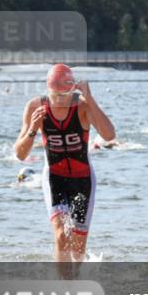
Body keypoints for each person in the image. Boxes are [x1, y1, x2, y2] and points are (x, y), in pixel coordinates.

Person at [14, 64, 115, 277]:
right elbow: (20, 154)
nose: (59, 101)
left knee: (78, 246)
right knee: (61, 235)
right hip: (54, 178)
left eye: (64, 95)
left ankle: (76, 282)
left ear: (73, 91)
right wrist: (33, 129)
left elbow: (108, 135)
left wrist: (90, 98)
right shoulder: (35, 107)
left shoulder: (83, 106)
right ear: (47, 90)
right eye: (55, 95)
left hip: (83, 180)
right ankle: (61, 288)